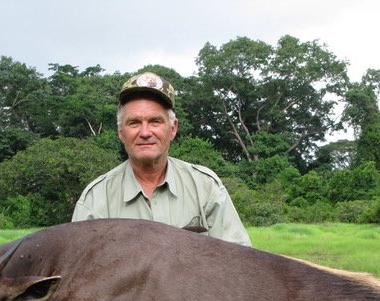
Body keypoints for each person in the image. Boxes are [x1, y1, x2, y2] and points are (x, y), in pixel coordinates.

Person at [72, 71, 251, 246]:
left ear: (172, 129)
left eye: (155, 121)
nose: (145, 132)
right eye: (134, 123)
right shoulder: (95, 200)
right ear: (121, 132)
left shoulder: (205, 187)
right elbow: (78, 269)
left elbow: (238, 262)